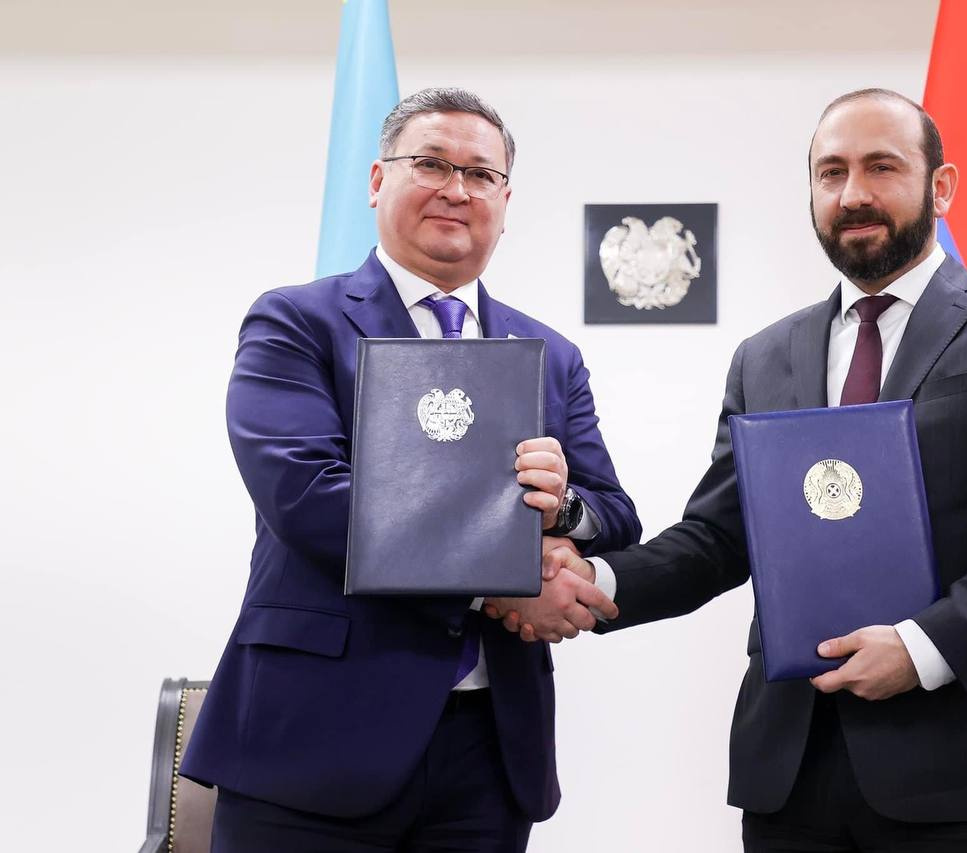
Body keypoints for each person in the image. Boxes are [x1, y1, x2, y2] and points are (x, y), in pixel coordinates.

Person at [504, 88, 967, 851]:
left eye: (882, 167)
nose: (853, 194)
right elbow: (719, 538)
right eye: (831, 172)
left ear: (941, 186)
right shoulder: (766, 355)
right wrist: (596, 581)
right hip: (790, 771)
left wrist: (922, 647)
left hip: (961, 772)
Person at [181, 87, 640, 852]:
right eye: (430, 163)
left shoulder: (551, 355)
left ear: (505, 199)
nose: (456, 189)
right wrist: (499, 578)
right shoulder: (297, 322)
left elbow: (615, 514)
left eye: (480, 173)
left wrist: (560, 508)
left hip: (491, 749)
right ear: (376, 180)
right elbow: (309, 497)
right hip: (314, 738)